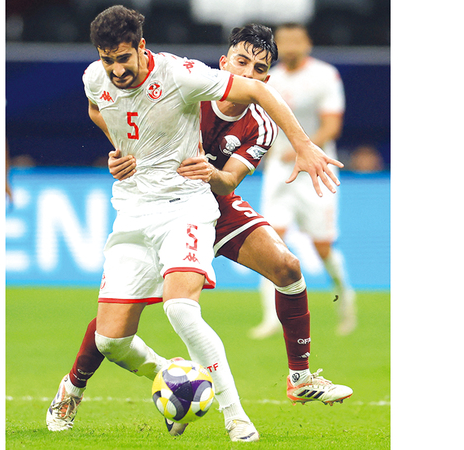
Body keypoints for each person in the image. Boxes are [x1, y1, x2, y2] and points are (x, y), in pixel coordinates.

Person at [46, 6, 343, 443]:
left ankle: (297, 379)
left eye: (260, 69)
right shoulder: (194, 83)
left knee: (286, 268)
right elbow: (108, 110)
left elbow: (229, 182)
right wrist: (124, 149)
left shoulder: (255, 123)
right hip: (146, 202)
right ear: (224, 63)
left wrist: (216, 172)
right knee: (113, 331)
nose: (250, 74)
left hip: (205, 204)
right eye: (242, 62)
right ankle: (79, 386)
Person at [252, 23, 357, 339]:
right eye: (284, 41)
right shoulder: (269, 79)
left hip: (316, 169)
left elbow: (332, 126)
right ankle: (270, 318)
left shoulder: (324, 76)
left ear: (307, 43)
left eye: (296, 40)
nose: (290, 46)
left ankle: (344, 295)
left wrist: (304, 148)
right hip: (280, 173)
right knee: (271, 242)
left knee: (322, 246)